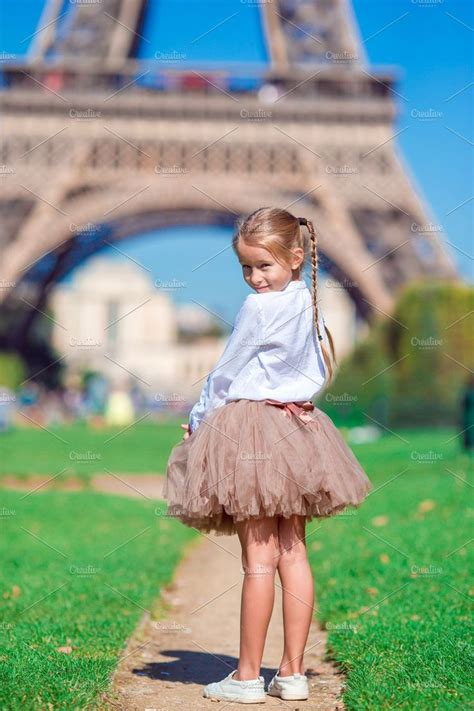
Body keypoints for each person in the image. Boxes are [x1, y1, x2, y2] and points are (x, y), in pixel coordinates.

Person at [162, 207, 373, 704]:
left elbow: (226, 373)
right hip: (298, 428)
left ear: (295, 257)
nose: (255, 278)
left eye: (264, 266)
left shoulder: (258, 308)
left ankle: (247, 677)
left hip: (252, 431)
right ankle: (294, 674)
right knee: (294, 552)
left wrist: (197, 420)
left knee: (258, 558)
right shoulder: (307, 300)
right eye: (247, 268)